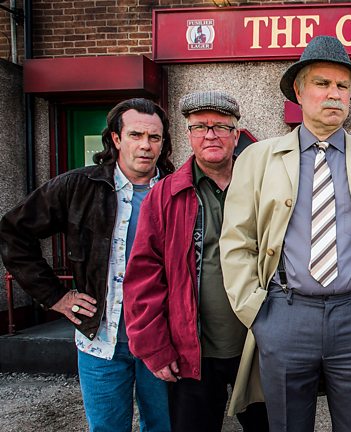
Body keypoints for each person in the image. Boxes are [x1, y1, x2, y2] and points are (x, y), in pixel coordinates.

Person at [219, 35, 351, 432]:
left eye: (343, 86)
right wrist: (257, 312)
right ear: (299, 92)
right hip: (284, 314)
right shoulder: (257, 159)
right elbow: (237, 241)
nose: (334, 94)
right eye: (322, 84)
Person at [0, 98, 174, 432]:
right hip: (101, 340)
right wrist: (55, 297)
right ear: (116, 139)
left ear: (163, 142)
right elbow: (13, 232)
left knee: (166, 427)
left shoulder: (176, 190)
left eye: (154, 137)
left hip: (161, 339)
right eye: (136, 135)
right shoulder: (78, 187)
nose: (145, 145)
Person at [122, 91, 269, 431]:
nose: (210, 134)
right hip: (191, 351)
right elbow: (144, 276)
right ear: (188, 134)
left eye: (220, 126)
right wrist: (155, 348)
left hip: (257, 345)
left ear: (236, 134)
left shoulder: (263, 187)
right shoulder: (165, 194)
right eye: (200, 126)